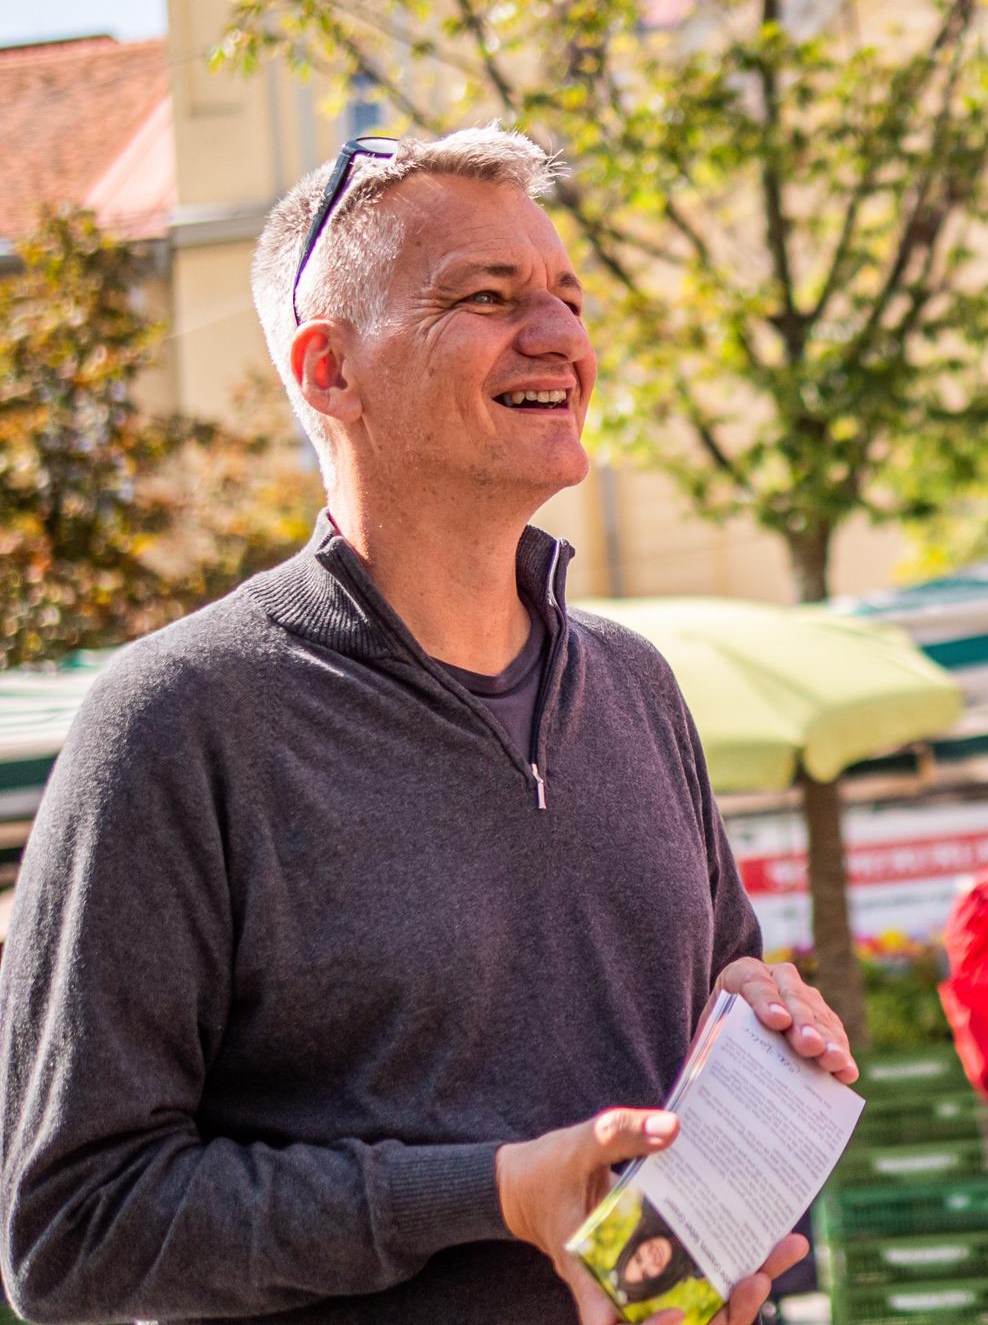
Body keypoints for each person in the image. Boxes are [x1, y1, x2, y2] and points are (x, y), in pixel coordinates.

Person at [0, 129, 855, 1325]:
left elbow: (706, 1022)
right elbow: (73, 1232)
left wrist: (763, 1043)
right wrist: (493, 1193)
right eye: (488, 299)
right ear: (329, 371)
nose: (559, 334)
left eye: (564, 295)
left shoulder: (636, 687)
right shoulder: (177, 723)